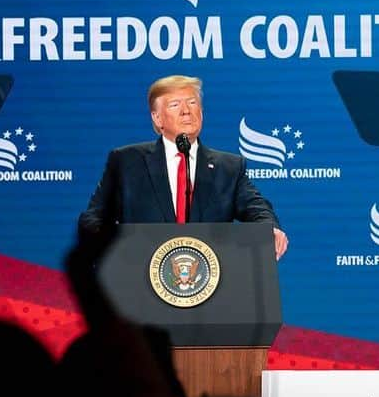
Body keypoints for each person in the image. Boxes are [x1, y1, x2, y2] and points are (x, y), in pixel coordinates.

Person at [78, 75, 288, 259]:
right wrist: (114, 247)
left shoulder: (229, 167)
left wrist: (271, 229)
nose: (186, 111)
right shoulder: (126, 162)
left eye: (192, 102)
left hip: (210, 286)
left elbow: (258, 210)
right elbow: (93, 218)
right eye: (175, 105)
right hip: (139, 285)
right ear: (157, 118)